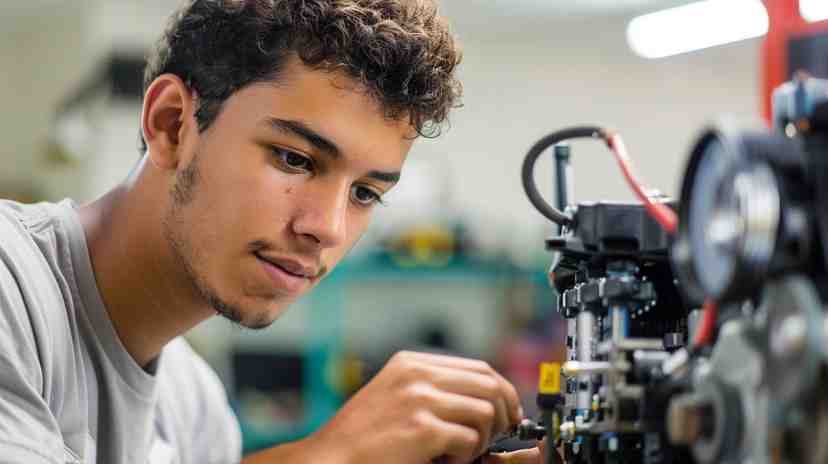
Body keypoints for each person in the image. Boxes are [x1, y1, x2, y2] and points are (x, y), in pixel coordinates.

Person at [0, 1, 545, 463]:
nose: (326, 229)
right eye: (294, 159)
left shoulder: (196, 408)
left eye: (364, 194)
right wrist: (329, 454)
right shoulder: (11, 282)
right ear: (171, 124)